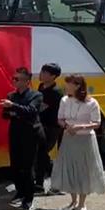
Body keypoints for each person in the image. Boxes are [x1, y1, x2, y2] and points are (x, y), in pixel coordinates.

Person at [50, 75, 105, 210]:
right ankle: (73, 201)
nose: (66, 86)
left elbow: (97, 123)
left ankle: (82, 204)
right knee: (69, 168)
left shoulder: (92, 102)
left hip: (85, 139)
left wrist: (80, 126)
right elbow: (60, 119)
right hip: (69, 137)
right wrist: (67, 126)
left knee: (83, 170)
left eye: (69, 84)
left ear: (78, 85)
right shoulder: (64, 100)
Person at [0, 67, 43, 210]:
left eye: (18, 79)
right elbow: (5, 114)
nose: (14, 81)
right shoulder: (11, 95)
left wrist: (14, 108)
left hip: (30, 134)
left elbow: (31, 111)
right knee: (15, 165)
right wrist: (15, 110)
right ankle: (19, 192)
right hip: (16, 132)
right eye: (14, 78)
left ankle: (28, 198)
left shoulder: (36, 95)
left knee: (28, 166)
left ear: (27, 82)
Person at [36, 63, 63, 195]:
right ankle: (55, 179)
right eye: (42, 71)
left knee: (41, 153)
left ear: (53, 76)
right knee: (40, 154)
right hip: (40, 126)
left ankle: (40, 185)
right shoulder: (41, 87)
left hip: (51, 127)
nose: (41, 74)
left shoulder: (56, 92)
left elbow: (42, 108)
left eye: (45, 72)